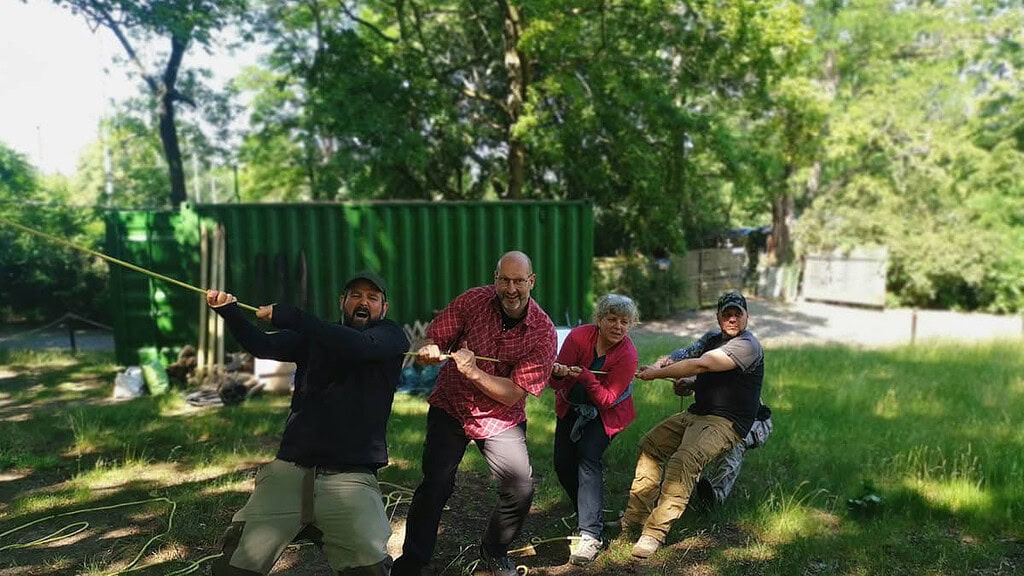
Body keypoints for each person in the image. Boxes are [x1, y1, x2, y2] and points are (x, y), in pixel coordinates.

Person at [206, 271, 410, 576]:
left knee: (370, 569)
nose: (363, 302)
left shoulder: (390, 337)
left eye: (372, 297)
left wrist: (295, 318)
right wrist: (230, 312)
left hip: (350, 479)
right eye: (355, 295)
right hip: (290, 471)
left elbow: (360, 347)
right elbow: (263, 345)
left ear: (384, 307)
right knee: (234, 569)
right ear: (342, 301)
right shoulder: (315, 337)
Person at [392, 251, 557, 576]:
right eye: (504, 280)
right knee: (435, 484)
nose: (511, 289)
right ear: (495, 279)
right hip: (452, 405)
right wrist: (428, 350)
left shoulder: (544, 332)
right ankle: (413, 562)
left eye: (519, 281)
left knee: (520, 489)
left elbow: (513, 393)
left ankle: (494, 550)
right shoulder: (473, 301)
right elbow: (433, 337)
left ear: (532, 282)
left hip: (500, 417)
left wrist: (474, 373)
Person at [624, 291, 764, 559]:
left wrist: (656, 374)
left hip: (726, 423)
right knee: (650, 446)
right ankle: (634, 519)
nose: (732, 319)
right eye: (727, 314)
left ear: (747, 317)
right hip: (697, 413)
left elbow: (701, 364)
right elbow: (683, 354)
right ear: (718, 317)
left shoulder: (748, 345)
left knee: (684, 461)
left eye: (737, 314)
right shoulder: (712, 338)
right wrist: (672, 372)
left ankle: (653, 533)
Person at [548, 293, 639, 565]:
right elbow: (554, 384)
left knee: (588, 456)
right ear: (599, 320)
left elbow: (607, 400)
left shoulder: (628, 355)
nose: (618, 326)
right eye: (612, 319)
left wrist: (586, 377)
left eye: (624, 322)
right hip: (572, 406)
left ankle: (590, 534)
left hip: (606, 413)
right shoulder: (578, 337)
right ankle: (588, 511)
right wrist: (557, 373)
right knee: (563, 464)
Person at [651, 334, 774, 510]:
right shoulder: (711, 341)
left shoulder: (743, 348)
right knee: (693, 446)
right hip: (711, 416)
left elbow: (712, 375)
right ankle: (685, 488)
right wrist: (668, 369)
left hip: (751, 420)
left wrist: (660, 373)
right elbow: (681, 357)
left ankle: (715, 496)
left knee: (733, 447)